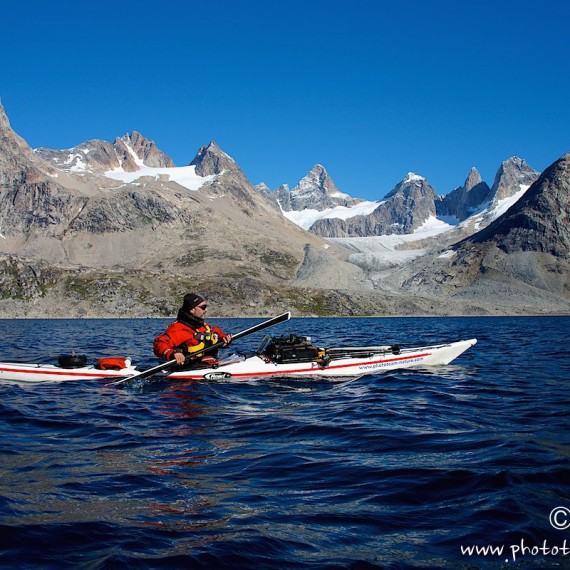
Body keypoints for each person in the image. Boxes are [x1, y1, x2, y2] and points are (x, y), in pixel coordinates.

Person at [153, 293, 232, 367]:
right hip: (188, 371)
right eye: (203, 307)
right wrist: (172, 354)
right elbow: (159, 343)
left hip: (209, 364)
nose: (206, 310)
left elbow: (216, 333)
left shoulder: (204, 326)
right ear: (192, 310)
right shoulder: (178, 328)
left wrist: (224, 339)